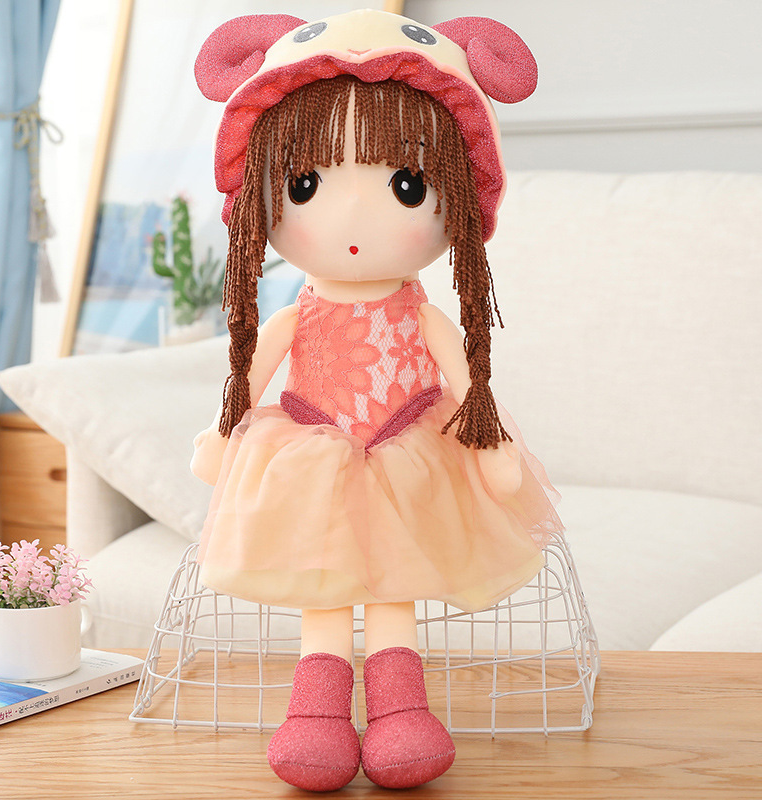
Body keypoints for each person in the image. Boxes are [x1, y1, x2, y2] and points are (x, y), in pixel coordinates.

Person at [191, 10, 562, 791]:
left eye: (406, 185)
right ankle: (316, 718)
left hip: (410, 447)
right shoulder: (295, 317)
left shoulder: (423, 315)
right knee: (323, 596)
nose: (354, 223)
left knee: (395, 592)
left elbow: (469, 384)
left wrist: (492, 448)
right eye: (305, 185)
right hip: (308, 453)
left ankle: (402, 715)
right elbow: (246, 380)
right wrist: (224, 436)